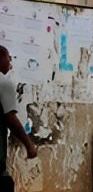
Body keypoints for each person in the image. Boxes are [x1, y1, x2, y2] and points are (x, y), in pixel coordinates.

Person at [0, 45, 38, 192]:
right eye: (8, 57)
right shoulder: (4, 83)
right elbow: (10, 117)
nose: (10, 62)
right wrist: (29, 144)